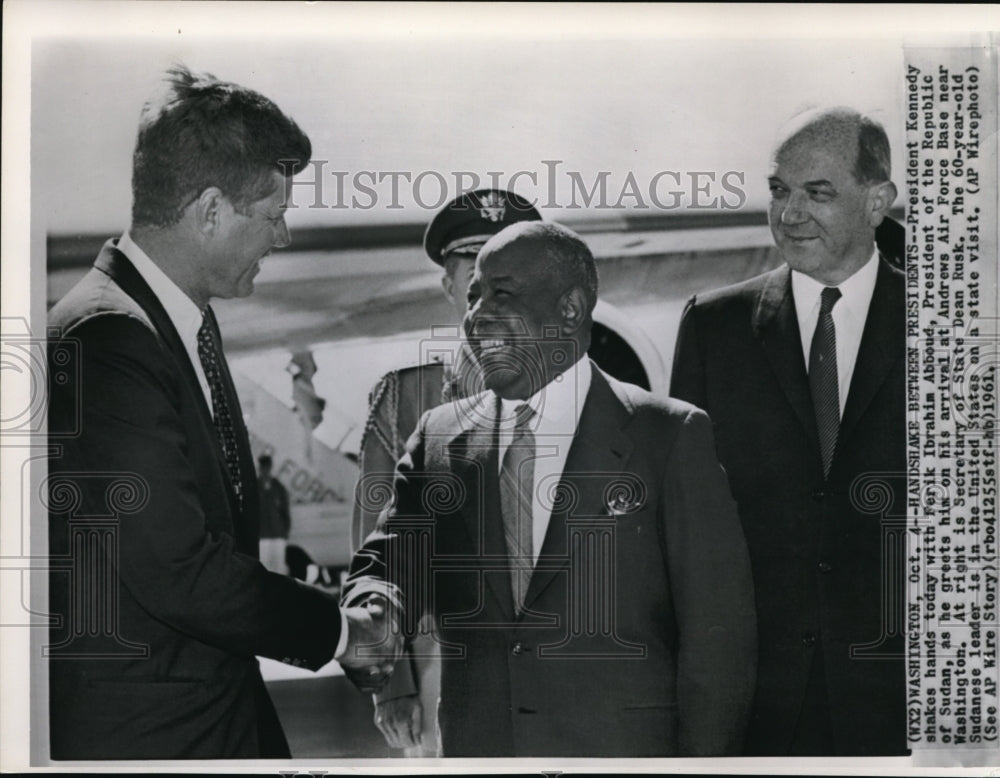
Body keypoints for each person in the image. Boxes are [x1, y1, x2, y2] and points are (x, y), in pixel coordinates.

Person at [45, 65, 399, 760]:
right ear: (211, 210)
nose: (285, 236)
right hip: (157, 740)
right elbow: (176, 567)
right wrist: (344, 633)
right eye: (273, 214)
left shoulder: (169, 326)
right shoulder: (107, 340)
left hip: (210, 716)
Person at [344, 221, 757, 757]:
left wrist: (702, 770)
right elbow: (392, 561)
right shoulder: (439, 438)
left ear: (570, 308)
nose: (477, 315)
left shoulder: (668, 436)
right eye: (473, 296)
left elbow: (719, 637)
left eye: (502, 293)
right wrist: (375, 606)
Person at [670, 107, 906, 756]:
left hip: (903, 706)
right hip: (757, 709)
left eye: (818, 193)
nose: (789, 213)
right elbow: (684, 529)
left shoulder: (944, 328)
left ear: (878, 200)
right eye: (779, 190)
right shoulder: (713, 328)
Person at [353, 188, 541, 756]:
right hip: (443, 670)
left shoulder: (581, 389)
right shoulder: (404, 397)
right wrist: (392, 685)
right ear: (449, 285)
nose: (489, 278)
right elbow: (378, 555)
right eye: (471, 264)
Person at [257, 454, 292, 575]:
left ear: (270, 468)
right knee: (264, 568)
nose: (265, 470)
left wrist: (285, 532)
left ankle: (279, 593)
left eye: (267, 467)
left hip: (278, 535)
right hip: (262, 536)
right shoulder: (254, 487)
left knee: (279, 568)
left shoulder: (279, 488)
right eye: (263, 468)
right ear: (259, 468)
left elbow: (285, 512)